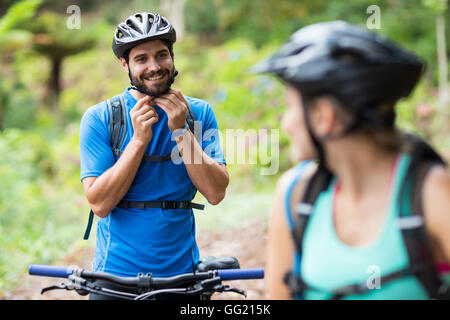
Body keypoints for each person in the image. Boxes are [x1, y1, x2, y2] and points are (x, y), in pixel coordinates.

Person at [252, 21, 450, 299]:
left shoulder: (431, 194)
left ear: (324, 116)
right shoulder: (296, 194)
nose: (286, 124)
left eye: (289, 107)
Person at [79, 12, 229, 299]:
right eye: (141, 59)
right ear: (125, 64)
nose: (154, 66)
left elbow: (215, 192)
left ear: (172, 56)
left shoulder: (198, 113)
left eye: (162, 55)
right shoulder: (101, 118)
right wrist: (137, 141)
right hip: (114, 277)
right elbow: (99, 203)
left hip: (183, 275)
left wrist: (180, 130)